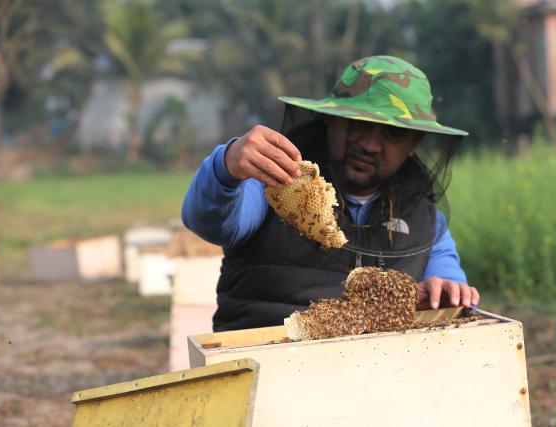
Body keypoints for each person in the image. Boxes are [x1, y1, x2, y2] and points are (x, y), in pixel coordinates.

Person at [182, 55, 480, 332]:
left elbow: (446, 276)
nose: (370, 145)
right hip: (263, 363)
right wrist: (226, 166)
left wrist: (448, 289)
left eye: (393, 133)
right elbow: (210, 221)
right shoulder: (272, 185)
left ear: (414, 142)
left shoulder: (427, 220)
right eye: (359, 124)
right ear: (331, 119)